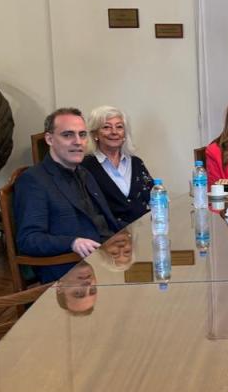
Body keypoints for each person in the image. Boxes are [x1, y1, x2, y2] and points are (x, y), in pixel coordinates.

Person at [14, 107, 118, 282]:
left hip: (105, 260)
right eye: (68, 135)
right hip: (71, 272)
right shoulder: (33, 180)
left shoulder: (84, 173)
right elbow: (28, 240)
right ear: (49, 139)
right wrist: (73, 242)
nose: (78, 142)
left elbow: (104, 222)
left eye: (82, 135)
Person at [83, 105, 154, 227]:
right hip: (110, 235)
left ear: (124, 133)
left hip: (142, 231)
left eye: (119, 127)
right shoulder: (85, 167)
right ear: (95, 134)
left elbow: (153, 196)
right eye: (106, 127)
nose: (114, 132)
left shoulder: (136, 162)